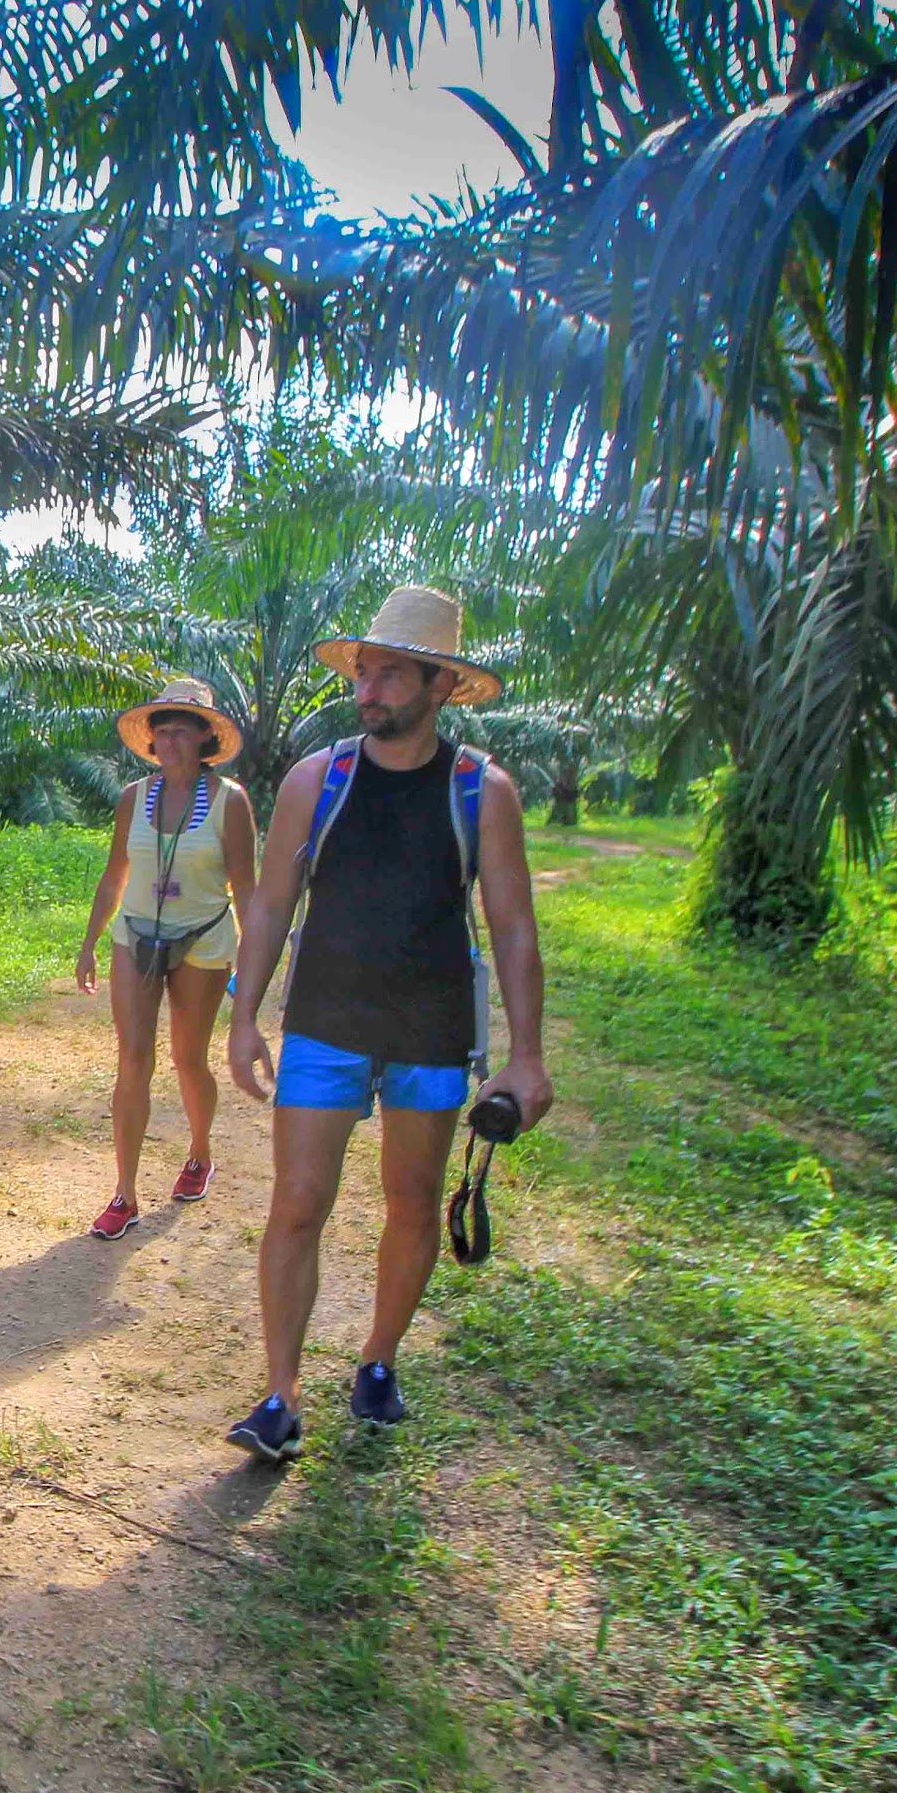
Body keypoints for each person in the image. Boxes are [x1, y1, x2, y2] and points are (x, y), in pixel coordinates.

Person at [219, 588, 551, 1462]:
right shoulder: (315, 779)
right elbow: (270, 906)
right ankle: (281, 1397)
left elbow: (513, 926)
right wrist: (245, 1017)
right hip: (326, 1019)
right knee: (297, 1203)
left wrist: (528, 1057)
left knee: (410, 1204)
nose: (369, 691)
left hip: (430, 1028)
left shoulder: (484, 791)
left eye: (391, 675)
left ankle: (377, 1360)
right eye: (365, 672)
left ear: (441, 684)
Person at [76, 678, 261, 1239]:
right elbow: (116, 875)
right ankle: (125, 1193)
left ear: (205, 737)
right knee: (133, 1057)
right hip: (136, 935)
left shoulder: (230, 801)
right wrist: (89, 942)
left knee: (187, 1057)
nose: (171, 740)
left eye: (183, 730)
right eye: (163, 730)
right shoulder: (134, 797)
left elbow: (246, 888)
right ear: (151, 740)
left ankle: (199, 1153)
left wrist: (255, 961)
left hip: (203, 939)